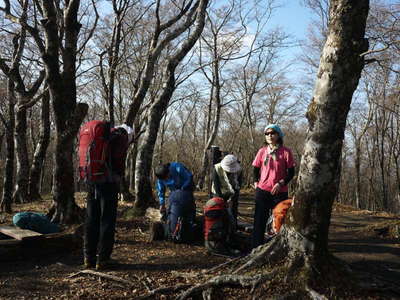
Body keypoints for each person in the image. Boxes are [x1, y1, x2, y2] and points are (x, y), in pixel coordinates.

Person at [83, 123, 133, 270]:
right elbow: (118, 163)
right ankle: (103, 259)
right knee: (107, 221)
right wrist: (119, 177)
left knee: (91, 219)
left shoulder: (103, 137)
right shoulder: (120, 138)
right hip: (108, 183)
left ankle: (88, 258)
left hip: (92, 181)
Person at [251, 124, 295, 249]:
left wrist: (280, 183)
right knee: (259, 221)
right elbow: (255, 168)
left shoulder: (286, 152)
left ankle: (277, 248)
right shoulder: (262, 151)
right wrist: (256, 182)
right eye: (267, 133)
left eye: (272, 133)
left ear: (278, 135)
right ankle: (255, 248)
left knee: (279, 221)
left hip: (280, 192)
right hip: (262, 191)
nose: (269, 135)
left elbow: (291, 173)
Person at [154, 162, 196, 243]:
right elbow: (161, 191)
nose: (166, 179)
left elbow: (189, 177)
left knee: (188, 214)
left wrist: (182, 189)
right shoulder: (160, 178)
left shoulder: (177, 167)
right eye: (164, 179)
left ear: (169, 171)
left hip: (186, 190)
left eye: (167, 177)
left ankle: (191, 225)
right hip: (174, 196)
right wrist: (162, 204)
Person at [211, 154, 242, 230]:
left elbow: (238, 185)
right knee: (218, 209)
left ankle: (232, 230)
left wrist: (232, 198)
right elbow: (216, 185)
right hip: (218, 192)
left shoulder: (239, 170)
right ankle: (217, 229)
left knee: (232, 209)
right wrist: (221, 199)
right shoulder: (217, 168)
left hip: (232, 192)